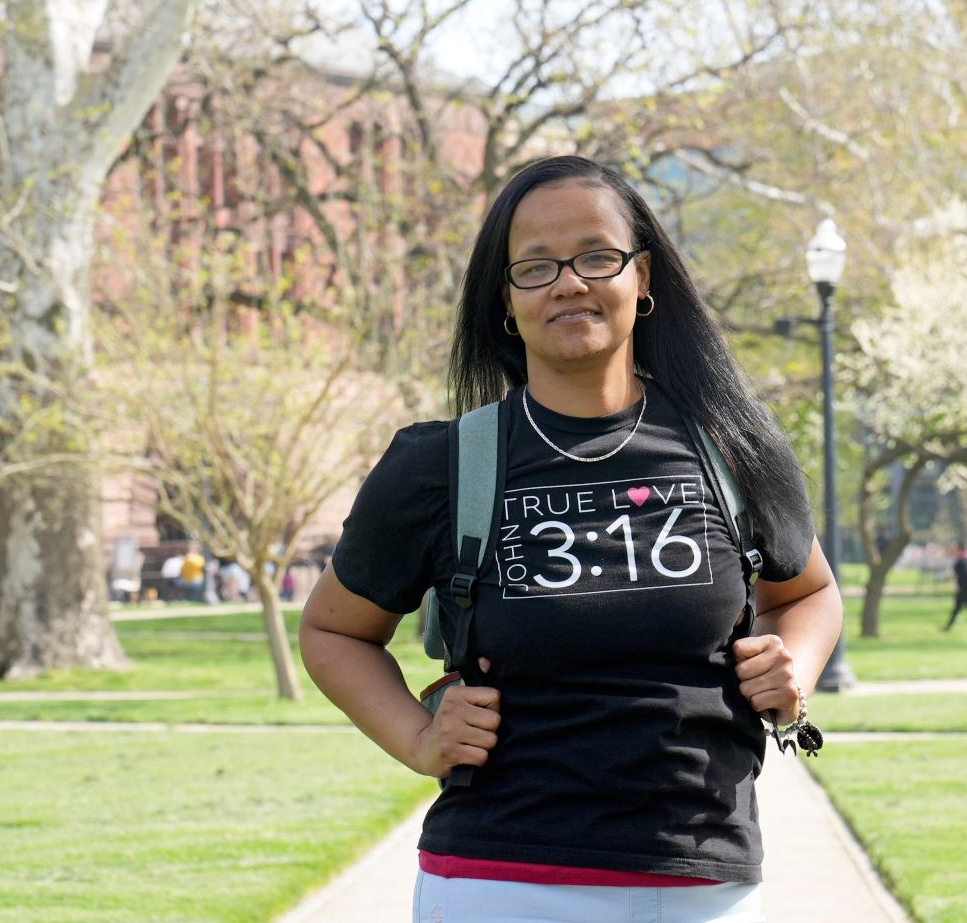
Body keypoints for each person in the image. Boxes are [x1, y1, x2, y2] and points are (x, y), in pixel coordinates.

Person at [299, 155, 844, 923]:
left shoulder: (734, 448)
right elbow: (331, 631)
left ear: (643, 275)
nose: (569, 282)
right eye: (536, 266)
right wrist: (420, 738)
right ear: (505, 298)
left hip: (703, 878)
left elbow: (808, 591)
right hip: (500, 879)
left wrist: (797, 671)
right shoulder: (440, 465)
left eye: (596, 255)